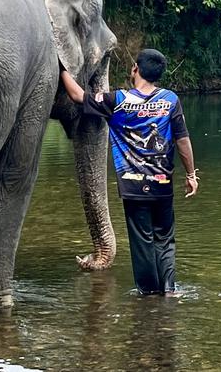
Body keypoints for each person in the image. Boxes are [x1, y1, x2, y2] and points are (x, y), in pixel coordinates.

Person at [60, 48, 198, 295]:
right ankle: (169, 290)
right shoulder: (170, 100)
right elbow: (182, 140)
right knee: (165, 241)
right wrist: (191, 176)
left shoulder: (118, 100)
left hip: (134, 186)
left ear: (135, 68)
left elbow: (77, 95)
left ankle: (147, 295)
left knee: (142, 242)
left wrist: (60, 67)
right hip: (162, 184)